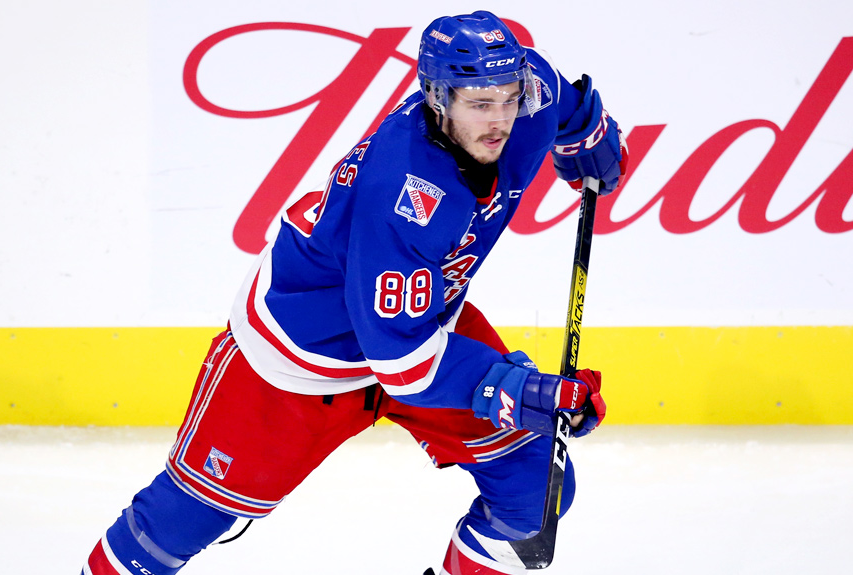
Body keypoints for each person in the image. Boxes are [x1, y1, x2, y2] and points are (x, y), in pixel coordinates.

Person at [81, 10, 626, 575]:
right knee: (174, 525)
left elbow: (561, 98)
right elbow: (404, 366)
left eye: (508, 99)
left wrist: (585, 130)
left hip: (417, 325)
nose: (500, 121)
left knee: (534, 490)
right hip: (301, 358)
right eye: (479, 104)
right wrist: (521, 391)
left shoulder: (525, 91)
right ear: (438, 97)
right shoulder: (406, 194)